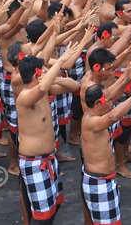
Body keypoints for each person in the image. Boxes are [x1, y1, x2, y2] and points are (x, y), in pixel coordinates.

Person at [16, 47, 80, 224]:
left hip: (49, 159)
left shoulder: (45, 89)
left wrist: (57, 77)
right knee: (43, 217)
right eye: (43, 69)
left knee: (53, 207)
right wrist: (60, 61)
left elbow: (75, 86)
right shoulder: (25, 96)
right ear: (37, 73)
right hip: (34, 163)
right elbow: (42, 86)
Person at [80, 84, 131, 225]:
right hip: (99, 183)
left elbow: (114, 98)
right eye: (107, 99)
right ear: (97, 103)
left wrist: (126, 78)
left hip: (104, 181)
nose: (110, 102)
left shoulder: (96, 116)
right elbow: (113, 116)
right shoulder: (91, 121)